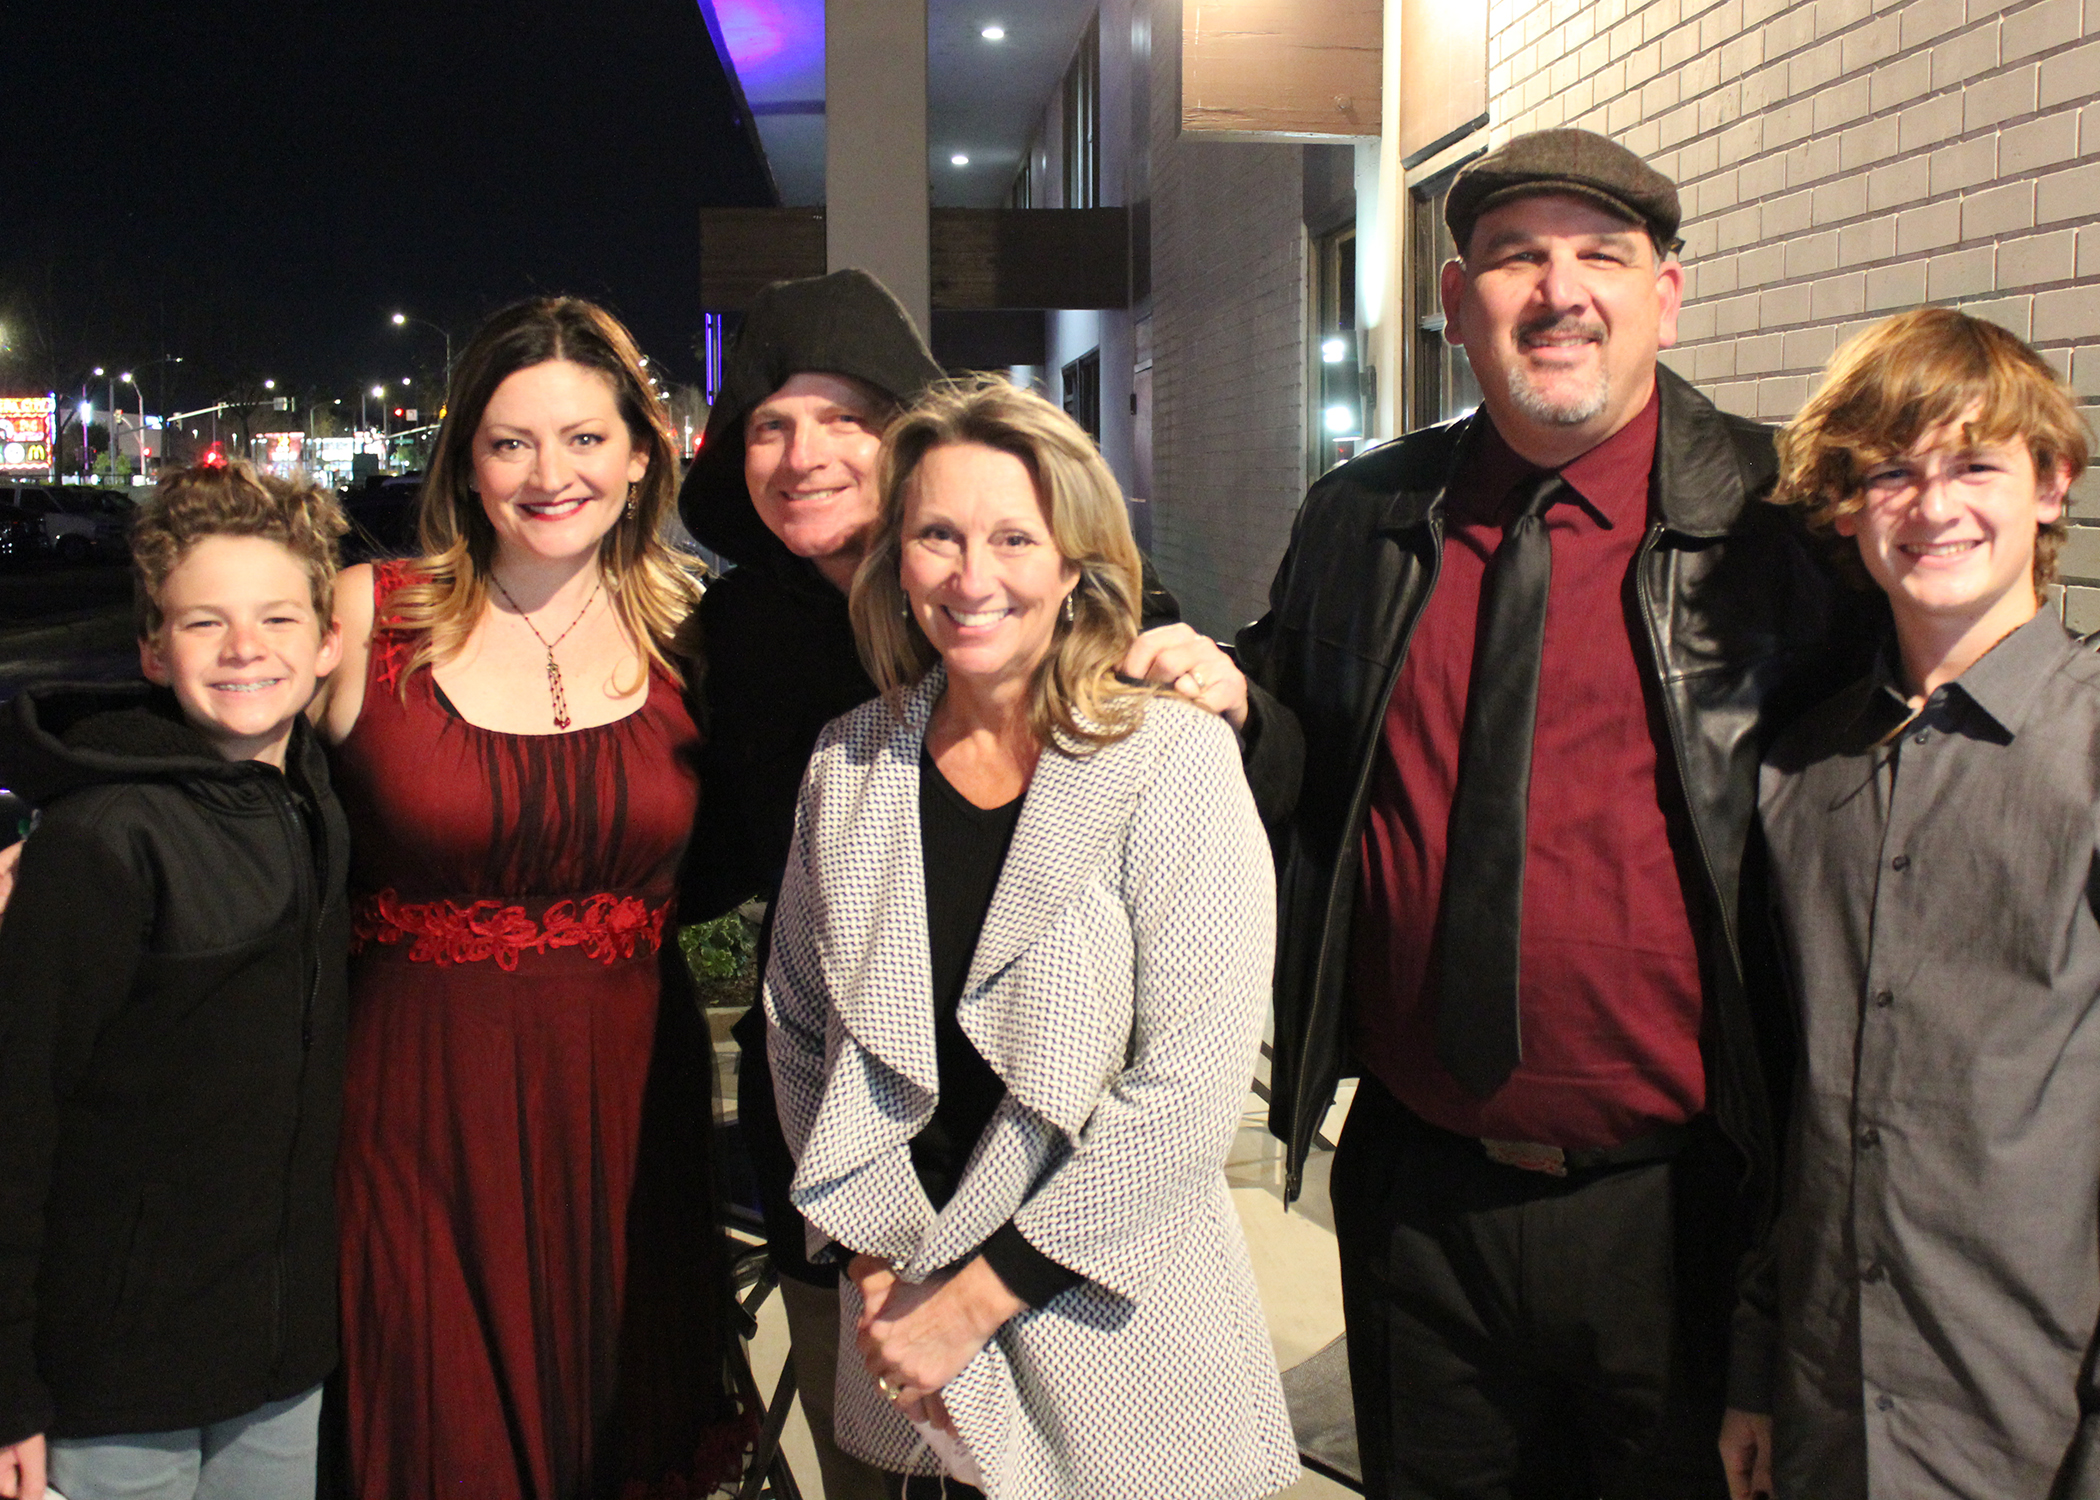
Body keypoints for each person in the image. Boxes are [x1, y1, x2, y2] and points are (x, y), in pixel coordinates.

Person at [1238, 128, 1868, 1497]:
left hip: (1684, 1212)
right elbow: (1281, 741)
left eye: (1602, 256)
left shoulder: (1784, 530)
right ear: (1457, 304)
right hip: (1420, 1197)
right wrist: (1203, 688)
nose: (1559, 290)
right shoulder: (1362, 520)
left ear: (1667, 295)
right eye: (1518, 259)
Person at [678, 267, 1300, 1500]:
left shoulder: (1150, 737)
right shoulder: (819, 724)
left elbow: (1188, 1079)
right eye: (768, 422)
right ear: (899, 562)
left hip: (1102, 1292)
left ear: (1074, 561)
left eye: (1014, 539)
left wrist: (972, 1298)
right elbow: (797, 1016)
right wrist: (868, 1257)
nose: (974, 573)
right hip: (882, 1266)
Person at [312, 297, 739, 1499]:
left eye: (585, 439)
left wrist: (1159, 644)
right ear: (466, 465)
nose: (550, 475)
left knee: (617, 1439)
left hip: (628, 1119)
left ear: (643, 452)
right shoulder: (369, 616)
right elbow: (212, 765)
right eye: (510, 444)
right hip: (411, 1125)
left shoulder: (697, 639)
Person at [1718, 308, 2096, 1500]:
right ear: (1846, 508)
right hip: (1830, 1414)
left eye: (1977, 464)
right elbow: (1799, 1111)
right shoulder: (1802, 773)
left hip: (2032, 1429)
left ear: (2053, 485)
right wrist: (1756, 1367)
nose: (1934, 509)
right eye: (1894, 472)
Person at [0, 462, 351, 1500]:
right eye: (205, 624)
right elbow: (16, 1122)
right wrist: (10, 1387)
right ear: (153, 650)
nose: (247, 648)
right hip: (113, 1380)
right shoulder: (104, 842)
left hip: (279, 1363)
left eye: (280, 617)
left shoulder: (319, 807)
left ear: (329, 642)